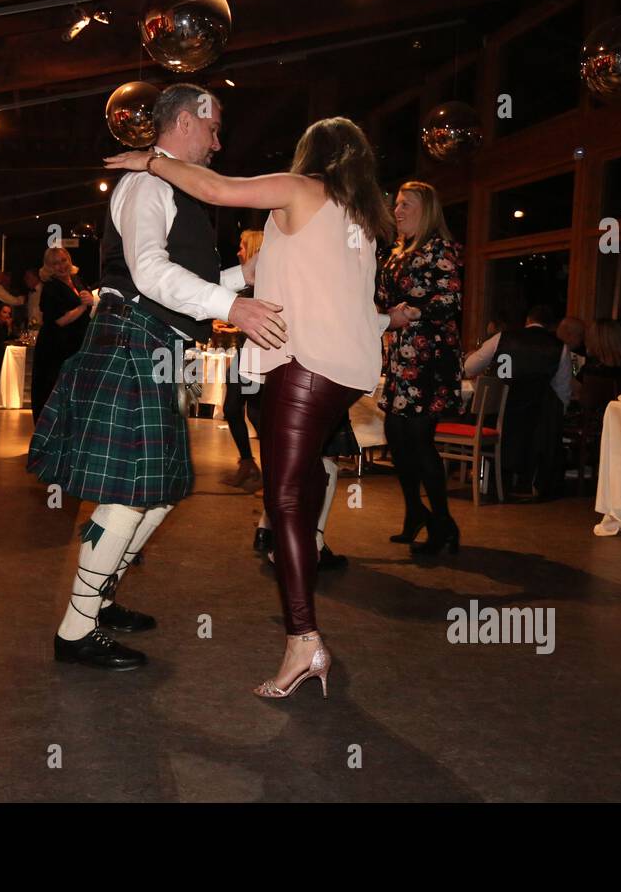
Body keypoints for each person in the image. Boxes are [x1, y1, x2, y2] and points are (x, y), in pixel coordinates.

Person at [106, 115, 418, 698]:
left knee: (283, 499)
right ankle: (306, 617)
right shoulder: (365, 220)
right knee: (294, 490)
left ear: (311, 154)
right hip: (346, 370)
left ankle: (304, 641)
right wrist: (246, 275)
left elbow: (219, 188)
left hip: (307, 362)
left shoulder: (302, 189)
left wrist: (150, 161)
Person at [29, 83, 287, 673]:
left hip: (153, 347)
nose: (219, 141)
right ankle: (76, 629)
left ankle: (100, 598)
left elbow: (178, 272)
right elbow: (147, 272)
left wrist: (241, 274)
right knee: (128, 495)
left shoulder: (174, 191)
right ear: (188, 121)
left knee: (160, 493)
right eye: (215, 127)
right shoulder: (146, 183)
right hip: (131, 342)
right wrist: (231, 305)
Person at [378, 180, 464, 552]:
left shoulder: (439, 248)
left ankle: (443, 523)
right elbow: (382, 299)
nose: (397, 211)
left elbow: (451, 299)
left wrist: (413, 310)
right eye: (396, 204)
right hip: (400, 356)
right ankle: (415, 512)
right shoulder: (396, 253)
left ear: (426, 210)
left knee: (419, 440)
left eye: (406, 205)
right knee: (396, 437)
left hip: (429, 359)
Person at [465, 304, 572, 499]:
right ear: (550, 326)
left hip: (496, 414)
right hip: (534, 418)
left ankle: (486, 478)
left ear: (528, 321)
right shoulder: (560, 348)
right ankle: (528, 482)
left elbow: (470, 366)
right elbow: (562, 391)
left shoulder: (503, 338)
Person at [220, 228, 265, 491]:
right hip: (244, 351)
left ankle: (265, 469)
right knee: (233, 409)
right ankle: (248, 463)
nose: (238, 251)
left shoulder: (265, 280)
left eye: (242, 245)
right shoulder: (247, 281)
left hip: (258, 353)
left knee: (257, 413)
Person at [31, 247, 92, 423]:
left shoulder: (76, 280)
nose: (61, 266)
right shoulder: (51, 288)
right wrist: (82, 306)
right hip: (56, 349)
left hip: (76, 345)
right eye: (55, 263)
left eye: (63, 260)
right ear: (49, 267)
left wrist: (89, 299)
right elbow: (59, 321)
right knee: (53, 391)